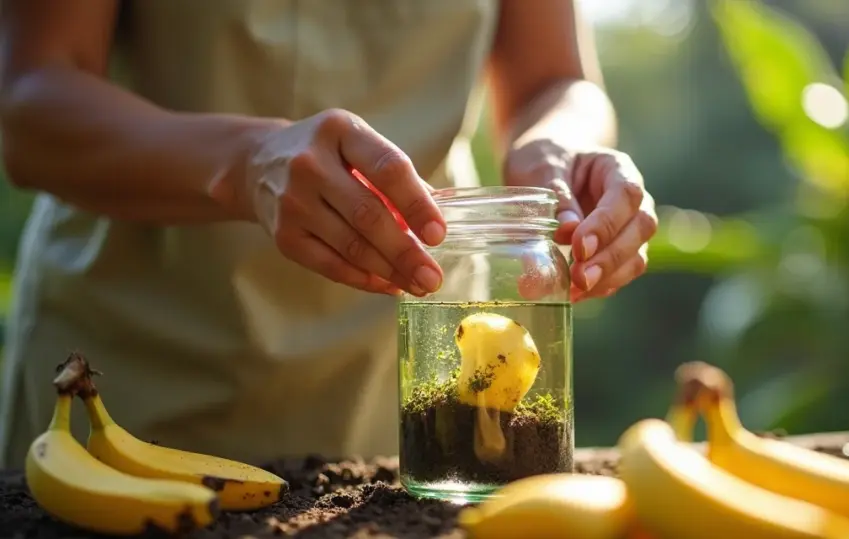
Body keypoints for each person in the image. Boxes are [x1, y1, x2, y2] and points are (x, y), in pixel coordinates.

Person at [0, 0, 658, 467]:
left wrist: (558, 151)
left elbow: (554, 79)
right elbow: (29, 100)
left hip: (398, 371)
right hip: (126, 374)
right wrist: (244, 159)